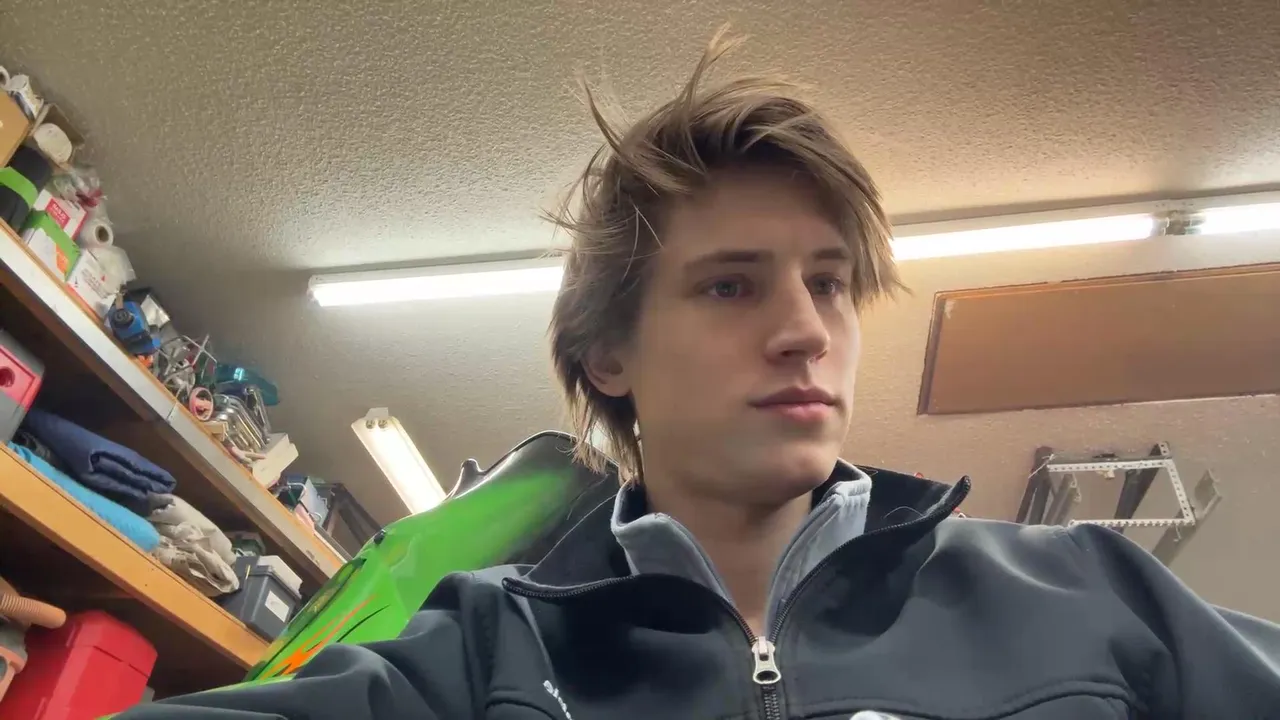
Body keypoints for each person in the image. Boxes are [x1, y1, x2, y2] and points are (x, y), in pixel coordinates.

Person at [122, 28, 1280, 720]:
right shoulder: (484, 649)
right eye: (730, 287)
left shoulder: (1081, 594)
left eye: (829, 284)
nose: (803, 331)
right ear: (607, 353)